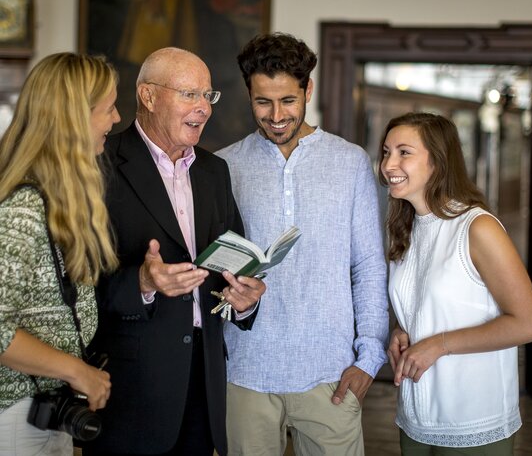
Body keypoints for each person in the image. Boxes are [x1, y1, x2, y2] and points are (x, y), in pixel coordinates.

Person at [82, 46, 266, 456]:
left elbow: (231, 263)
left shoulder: (214, 171)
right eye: (190, 95)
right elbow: (72, 287)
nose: (203, 107)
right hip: (131, 388)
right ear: (148, 96)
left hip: (203, 382)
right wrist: (143, 282)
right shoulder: (99, 165)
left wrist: (244, 300)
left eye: (208, 96)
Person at [216, 32, 389, 455]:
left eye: (288, 101)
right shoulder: (223, 166)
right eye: (263, 102)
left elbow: (368, 265)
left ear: (308, 90)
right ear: (248, 95)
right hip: (244, 372)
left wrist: (369, 356)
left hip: (330, 372)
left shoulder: (350, 162)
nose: (276, 115)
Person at [380, 112, 532, 454]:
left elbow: (530, 325)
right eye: (386, 151)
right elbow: (426, 304)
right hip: (415, 416)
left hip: (473, 419)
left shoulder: (477, 228)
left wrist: (438, 343)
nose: (388, 164)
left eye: (403, 152)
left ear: (438, 162)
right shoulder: (405, 229)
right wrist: (402, 330)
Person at [0, 52, 121, 455]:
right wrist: (76, 371)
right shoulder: (22, 210)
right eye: (108, 108)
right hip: (14, 416)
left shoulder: (55, 202)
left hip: (43, 413)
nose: (117, 118)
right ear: (75, 118)